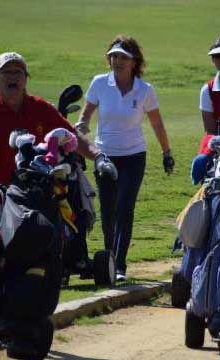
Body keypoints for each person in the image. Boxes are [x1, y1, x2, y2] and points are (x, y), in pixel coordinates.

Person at [0, 51, 105, 244]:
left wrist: (98, 156)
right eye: (6, 72)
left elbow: (71, 135)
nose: (12, 77)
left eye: (18, 72)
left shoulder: (40, 108)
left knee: (44, 243)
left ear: (26, 79)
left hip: (35, 194)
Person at [74, 35, 174, 281]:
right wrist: (82, 126)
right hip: (104, 156)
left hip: (133, 157)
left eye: (123, 57)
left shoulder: (145, 90)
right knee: (108, 211)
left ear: (133, 62)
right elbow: (86, 115)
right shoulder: (99, 83)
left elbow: (157, 124)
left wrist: (166, 152)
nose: (117, 61)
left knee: (125, 208)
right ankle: (108, 258)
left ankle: (119, 265)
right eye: (114, 56)